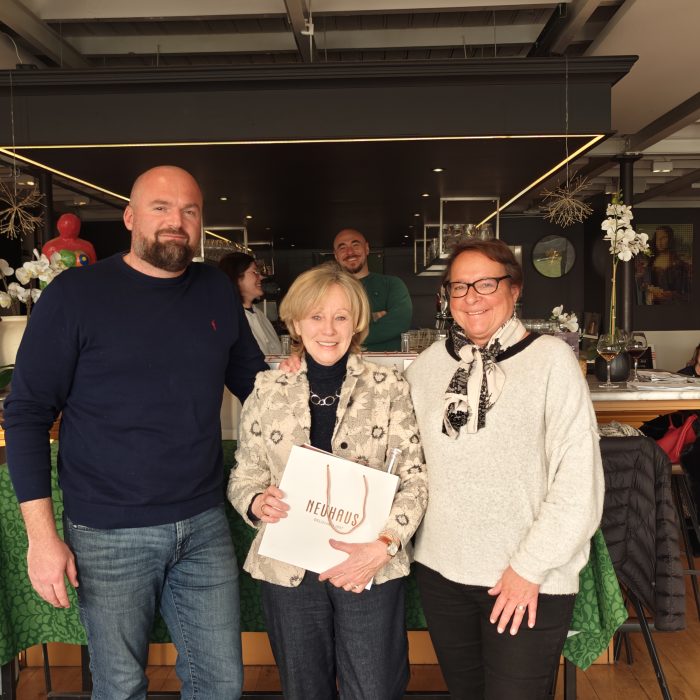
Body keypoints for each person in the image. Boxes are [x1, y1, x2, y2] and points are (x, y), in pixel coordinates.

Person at [4, 165, 268, 700]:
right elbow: (26, 413)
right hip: (107, 532)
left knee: (221, 685)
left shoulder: (215, 290)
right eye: (160, 207)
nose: (176, 221)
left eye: (189, 210)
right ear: (129, 217)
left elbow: (258, 387)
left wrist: (316, 383)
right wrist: (42, 539)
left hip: (203, 523)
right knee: (121, 686)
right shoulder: (75, 295)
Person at [405, 239, 604, 700]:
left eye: (486, 284)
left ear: (515, 290)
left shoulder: (552, 361)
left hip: (526, 578)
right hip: (442, 573)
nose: (471, 297)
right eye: (459, 287)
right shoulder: (427, 368)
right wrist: (299, 367)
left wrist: (528, 568)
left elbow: (579, 483)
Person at [228, 263, 427, 700]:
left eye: (341, 316)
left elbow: (415, 479)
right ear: (296, 323)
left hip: (369, 564)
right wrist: (257, 501)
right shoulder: (268, 388)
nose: (329, 329)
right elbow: (244, 473)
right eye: (316, 316)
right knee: (304, 689)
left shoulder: (389, 386)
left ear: (357, 323)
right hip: (289, 567)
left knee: (374, 689)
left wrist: (384, 545)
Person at [333, 228, 412, 351]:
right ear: (336, 255)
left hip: (389, 361)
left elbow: (400, 323)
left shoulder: (392, 284)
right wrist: (372, 317)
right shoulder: (328, 290)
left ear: (367, 248)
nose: (350, 252)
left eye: (355, 245)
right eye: (342, 247)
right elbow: (323, 326)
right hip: (342, 361)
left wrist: (345, 332)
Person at [219, 252, 282, 355]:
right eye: (255, 272)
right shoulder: (228, 319)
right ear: (236, 277)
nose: (261, 277)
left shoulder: (259, 314)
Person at [641, 225, 691, 304]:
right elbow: (646, 285)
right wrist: (649, 291)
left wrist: (669, 295)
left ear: (670, 239)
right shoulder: (651, 262)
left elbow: (684, 293)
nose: (659, 241)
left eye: (663, 238)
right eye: (657, 238)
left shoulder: (679, 264)